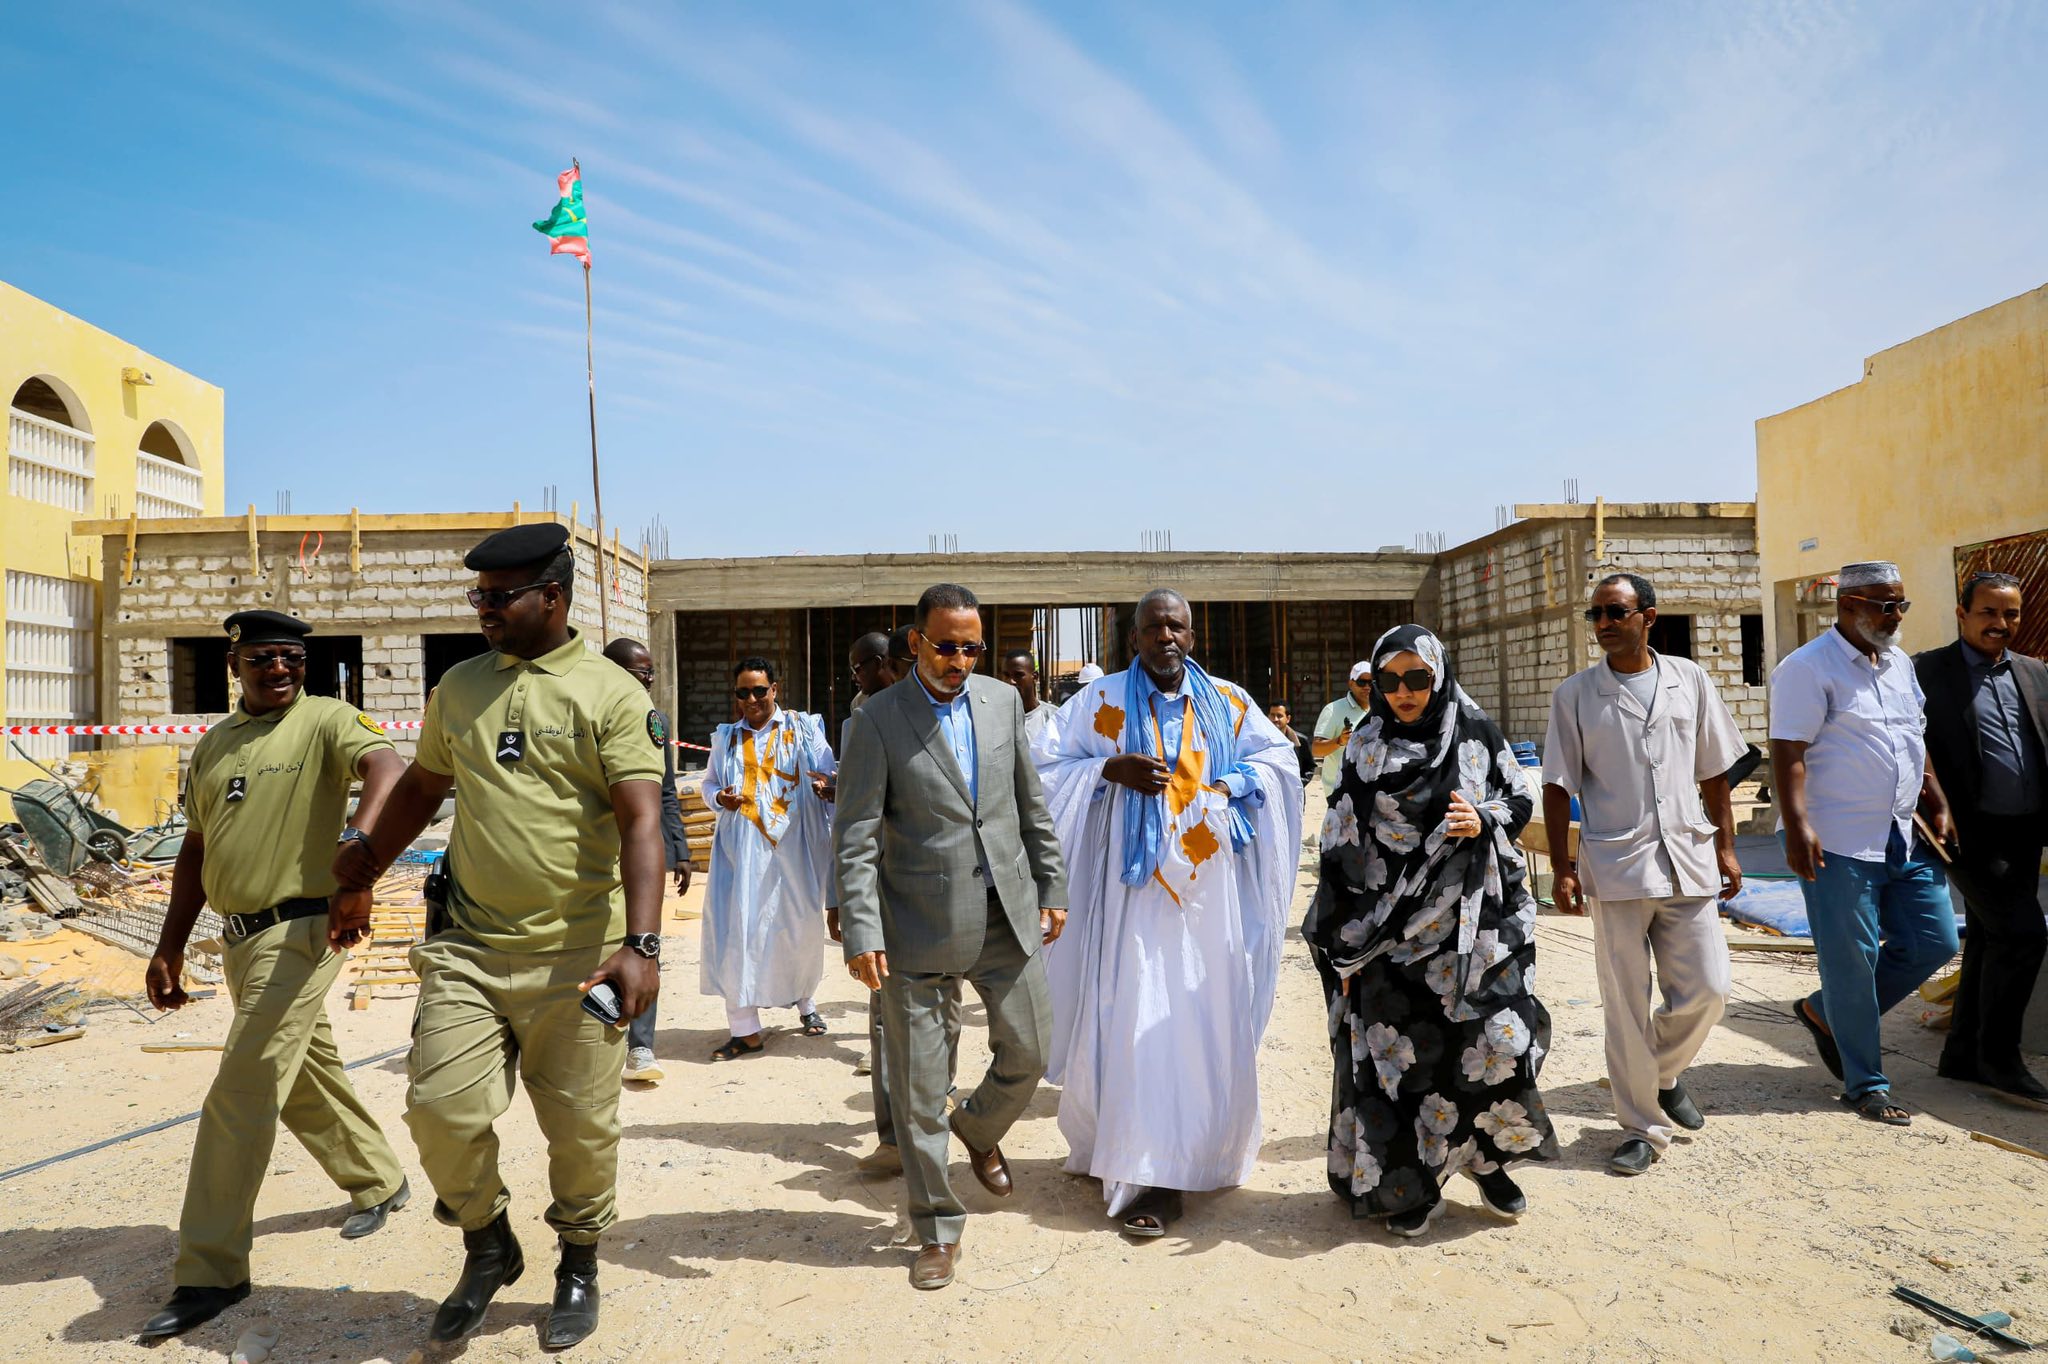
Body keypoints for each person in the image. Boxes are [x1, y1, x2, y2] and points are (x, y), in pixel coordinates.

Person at [337, 521, 667, 1349]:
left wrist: (643, 945)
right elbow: (421, 787)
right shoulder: (460, 688)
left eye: (498, 596)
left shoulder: (610, 693)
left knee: (583, 1132)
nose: (482, 609)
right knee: (439, 1109)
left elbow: (641, 821)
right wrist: (362, 867)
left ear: (552, 597)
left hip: (579, 957)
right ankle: (489, 1244)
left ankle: (579, 1261)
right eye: (477, 596)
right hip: (471, 949)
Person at [138, 610, 412, 1340]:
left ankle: (209, 1269)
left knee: (244, 1086)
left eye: (292, 657)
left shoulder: (327, 719)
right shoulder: (215, 742)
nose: (280, 669)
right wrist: (169, 944)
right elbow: (197, 848)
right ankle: (380, 1179)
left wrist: (361, 851)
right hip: (238, 941)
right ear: (234, 665)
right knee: (300, 1074)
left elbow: (388, 769)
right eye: (263, 658)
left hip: (304, 929)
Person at [1039, 589, 1302, 1236]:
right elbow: (1045, 766)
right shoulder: (1097, 703)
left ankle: (1196, 1154)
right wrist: (1108, 770)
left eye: (1176, 626)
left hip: (1209, 896)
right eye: (1153, 627)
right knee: (1134, 1019)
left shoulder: (1230, 702)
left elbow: (1280, 764)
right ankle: (1142, 1168)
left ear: (1192, 633)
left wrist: (1236, 784)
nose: (1166, 637)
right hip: (1130, 899)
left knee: (1199, 1017)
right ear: (1133, 638)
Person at [834, 582, 1068, 1291]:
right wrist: (860, 928)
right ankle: (936, 1227)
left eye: (971, 648)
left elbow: (1030, 803)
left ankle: (977, 1127)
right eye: (946, 646)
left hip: (1005, 909)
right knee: (917, 1087)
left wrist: (1051, 884)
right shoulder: (877, 720)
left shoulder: (1001, 703)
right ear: (916, 643)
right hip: (917, 924)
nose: (959, 660)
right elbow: (856, 836)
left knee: (1031, 1048)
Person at [1304, 625, 1557, 1238]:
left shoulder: (1475, 733)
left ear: (1439, 675)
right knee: (1405, 1067)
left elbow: (1516, 798)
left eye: (1418, 678)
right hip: (1389, 940)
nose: (1404, 692)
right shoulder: (1365, 748)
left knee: (1497, 1045)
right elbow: (1340, 845)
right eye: (1389, 681)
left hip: (1473, 933)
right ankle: (1414, 1184)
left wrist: (1485, 816)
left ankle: (1485, 1161)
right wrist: (1344, 944)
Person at [1542, 573, 1745, 1175]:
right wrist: (1562, 866)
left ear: (1648, 617)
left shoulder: (1691, 680)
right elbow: (1557, 785)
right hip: (1618, 864)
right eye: (1596, 614)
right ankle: (1642, 1127)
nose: (1604, 623)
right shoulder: (1575, 695)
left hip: (1688, 857)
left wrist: (1727, 847)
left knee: (1710, 989)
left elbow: (1714, 772)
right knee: (1625, 1003)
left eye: (1615, 612)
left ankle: (1658, 1073)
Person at [1771, 561, 1957, 1126]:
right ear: (1846, 605)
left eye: (1900, 603)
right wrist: (1797, 824)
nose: (1894, 614)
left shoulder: (1899, 663)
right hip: (1836, 838)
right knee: (1853, 960)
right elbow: (1788, 751)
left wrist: (1938, 800)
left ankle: (1824, 1011)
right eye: (1883, 604)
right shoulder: (1806, 668)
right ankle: (1866, 1084)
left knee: (1935, 940)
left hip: (1901, 832)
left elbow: (1913, 736)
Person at [1916, 572, 2048, 1102]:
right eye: (1989, 613)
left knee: (1992, 938)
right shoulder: (1925, 672)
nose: (2001, 624)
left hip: (2025, 830)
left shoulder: (2035, 673)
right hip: (1963, 834)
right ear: (1962, 613)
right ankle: (2000, 1058)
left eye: (2010, 614)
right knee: (2024, 935)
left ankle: (1963, 1055)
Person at [825, 632, 928, 1173]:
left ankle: (944, 1114)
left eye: (858, 667)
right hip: (881, 888)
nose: (853, 678)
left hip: (937, 887)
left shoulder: (936, 709)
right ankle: (893, 1138)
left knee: (939, 1015)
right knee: (884, 1013)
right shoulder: (857, 723)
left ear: (884, 663)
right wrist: (839, 892)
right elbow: (850, 819)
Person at [700, 657, 836, 1058]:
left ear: (775, 689)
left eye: (760, 690)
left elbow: (828, 777)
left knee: (796, 931)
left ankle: (805, 1002)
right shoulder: (725, 738)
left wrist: (828, 787)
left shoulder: (803, 729)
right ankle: (745, 1029)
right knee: (737, 933)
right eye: (743, 692)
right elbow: (709, 785)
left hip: (795, 854)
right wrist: (718, 798)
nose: (753, 699)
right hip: (740, 857)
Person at [603, 637, 694, 1085]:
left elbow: (666, 790)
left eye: (651, 671)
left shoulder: (654, 721)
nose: (650, 679)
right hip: (596, 855)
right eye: (642, 672)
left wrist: (678, 849)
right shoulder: (587, 715)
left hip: (642, 854)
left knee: (644, 943)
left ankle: (640, 1046)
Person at [1312, 663, 1373, 797]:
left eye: (1371, 682)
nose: (1367, 687)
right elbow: (1317, 749)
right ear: (1351, 683)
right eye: (1362, 682)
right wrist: (1339, 741)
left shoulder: (1381, 709)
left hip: (1370, 789)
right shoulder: (1333, 710)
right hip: (1340, 790)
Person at [1000, 647, 1061, 763]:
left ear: (1035, 677)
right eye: (1007, 675)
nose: (1011, 681)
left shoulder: (1053, 717)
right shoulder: (995, 719)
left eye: (1018, 675)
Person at [1269, 702, 1317, 789]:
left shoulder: (1300, 741)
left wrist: (1298, 783)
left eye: (1279, 716)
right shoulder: (1261, 740)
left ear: (1288, 718)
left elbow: (1310, 767)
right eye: (1272, 715)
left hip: (1294, 794)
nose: (1275, 719)